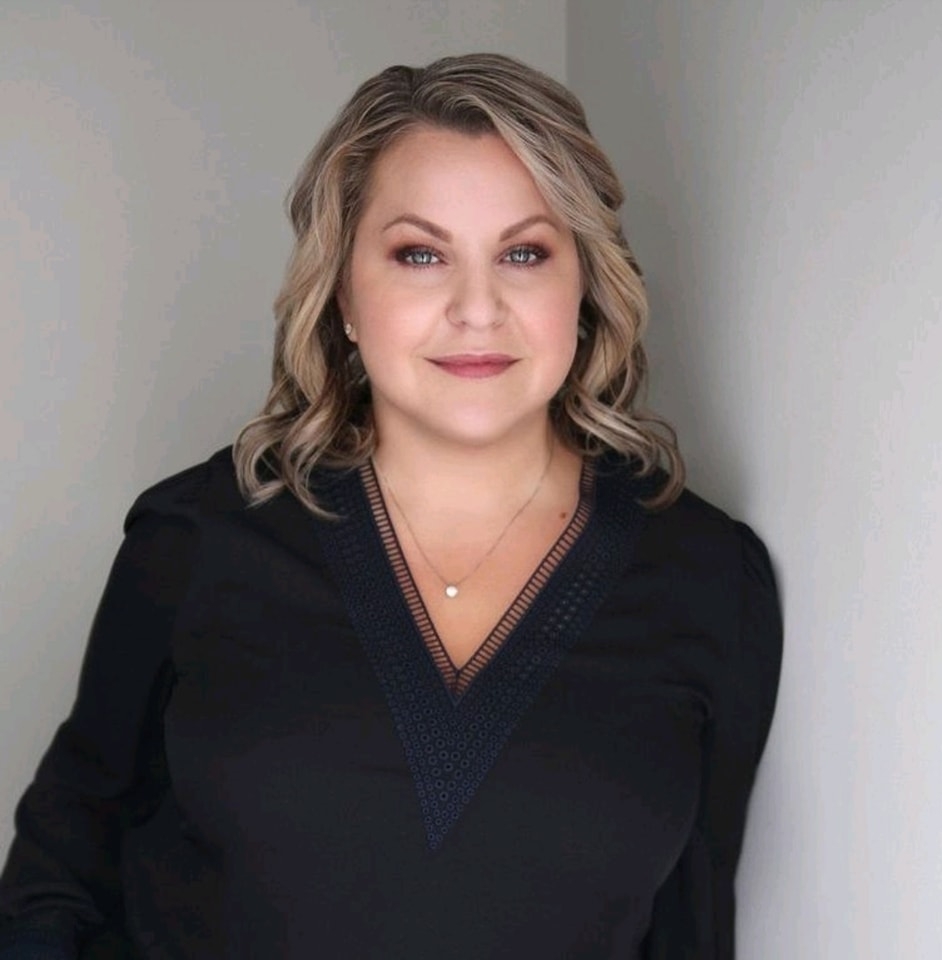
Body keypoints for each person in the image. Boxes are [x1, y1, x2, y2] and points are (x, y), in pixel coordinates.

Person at [0, 53, 782, 959]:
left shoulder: (708, 579)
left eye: (524, 253)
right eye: (420, 254)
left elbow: (692, 925)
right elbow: (58, 872)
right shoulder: (197, 539)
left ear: (586, 286)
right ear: (342, 291)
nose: (477, 308)